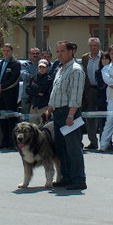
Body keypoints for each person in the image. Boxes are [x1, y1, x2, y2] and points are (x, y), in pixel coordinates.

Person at [44, 40, 87, 190]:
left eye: (62, 51)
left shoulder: (76, 70)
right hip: (58, 113)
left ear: (71, 51)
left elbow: (75, 96)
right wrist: (49, 108)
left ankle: (78, 179)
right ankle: (66, 177)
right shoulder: (60, 69)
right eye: (58, 51)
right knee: (62, 148)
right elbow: (56, 92)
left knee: (73, 148)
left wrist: (71, 116)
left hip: (69, 114)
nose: (59, 54)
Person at [0, 43, 21, 149]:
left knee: (11, 120)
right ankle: (4, 142)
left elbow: (13, 79)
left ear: (11, 51)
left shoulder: (16, 64)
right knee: (2, 119)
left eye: (8, 51)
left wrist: (2, 87)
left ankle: (12, 143)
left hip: (10, 95)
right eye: (4, 51)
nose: (6, 53)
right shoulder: (1, 63)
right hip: (0, 95)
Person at [80, 37, 102, 150]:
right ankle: (93, 142)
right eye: (91, 46)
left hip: (102, 89)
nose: (93, 48)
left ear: (99, 46)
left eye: (95, 45)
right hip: (89, 90)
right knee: (90, 117)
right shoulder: (84, 58)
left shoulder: (104, 56)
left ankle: (105, 143)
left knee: (103, 116)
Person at [25, 58, 53, 125]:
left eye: (43, 67)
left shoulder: (49, 79)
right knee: (32, 125)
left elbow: (43, 90)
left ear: (48, 68)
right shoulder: (33, 77)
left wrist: (33, 86)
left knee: (43, 125)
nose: (41, 69)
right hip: (34, 104)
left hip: (43, 106)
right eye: (40, 67)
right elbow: (27, 89)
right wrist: (37, 93)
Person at [20, 47, 41, 116]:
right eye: (33, 53)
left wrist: (31, 77)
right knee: (26, 117)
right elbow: (24, 76)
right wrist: (36, 77)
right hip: (26, 96)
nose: (35, 55)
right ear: (29, 55)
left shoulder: (43, 65)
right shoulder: (24, 65)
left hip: (39, 96)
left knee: (37, 118)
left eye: (37, 53)